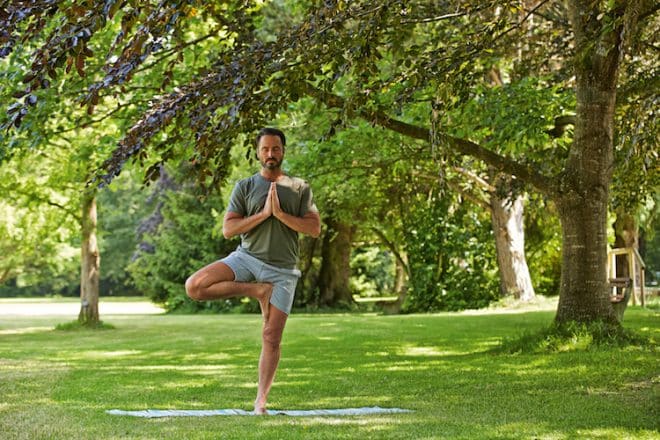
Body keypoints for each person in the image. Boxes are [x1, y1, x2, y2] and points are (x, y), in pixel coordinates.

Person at [185, 127, 321, 415]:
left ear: (283, 151)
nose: (270, 154)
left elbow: (314, 228)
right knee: (195, 286)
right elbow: (228, 229)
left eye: (276, 149)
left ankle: (261, 401)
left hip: (282, 271)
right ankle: (257, 290)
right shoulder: (245, 186)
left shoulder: (299, 187)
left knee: (272, 337)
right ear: (258, 152)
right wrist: (263, 214)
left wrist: (281, 214)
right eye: (265, 149)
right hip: (246, 259)